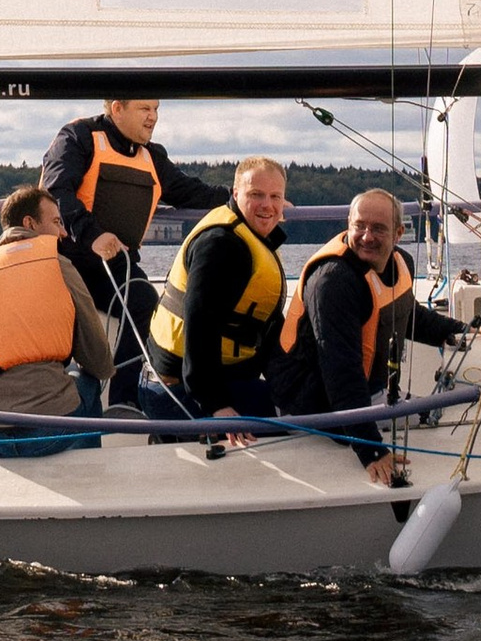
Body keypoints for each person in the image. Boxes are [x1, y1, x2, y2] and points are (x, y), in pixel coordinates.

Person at [38, 93, 212, 412]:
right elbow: (55, 191)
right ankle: (53, 405)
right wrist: (92, 235)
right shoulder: (78, 138)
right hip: (62, 260)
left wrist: (243, 199)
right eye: (144, 108)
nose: (153, 117)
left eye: (157, 108)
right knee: (58, 326)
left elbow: (192, 192)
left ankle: (125, 399)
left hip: (117, 265)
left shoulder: (152, 157)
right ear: (117, 109)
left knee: (145, 301)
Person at [278, 188, 463, 482]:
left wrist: (456, 332)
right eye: (359, 226)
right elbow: (341, 371)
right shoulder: (333, 282)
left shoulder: (399, 261)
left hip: (372, 394)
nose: (367, 237)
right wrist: (371, 450)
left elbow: (406, 313)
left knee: (453, 415)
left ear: (399, 233)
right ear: (348, 226)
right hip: (319, 406)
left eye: (379, 228)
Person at [0, 182, 114, 452]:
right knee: (87, 380)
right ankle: (89, 475)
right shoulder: (60, 267)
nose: (63, 232)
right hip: (46, 432)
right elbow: (100, 361)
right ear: (30, 223)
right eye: (57, 221)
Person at [145, 156, 292, 437]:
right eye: (256, 195)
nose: (267, 205)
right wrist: (217, 405)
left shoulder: (246, 234)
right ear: (235, 194)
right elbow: (200, 325)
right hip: (178, 391)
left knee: (301, 399)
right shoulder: (222, 246)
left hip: (210, 378)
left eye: (276, 197)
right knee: (296, 426)